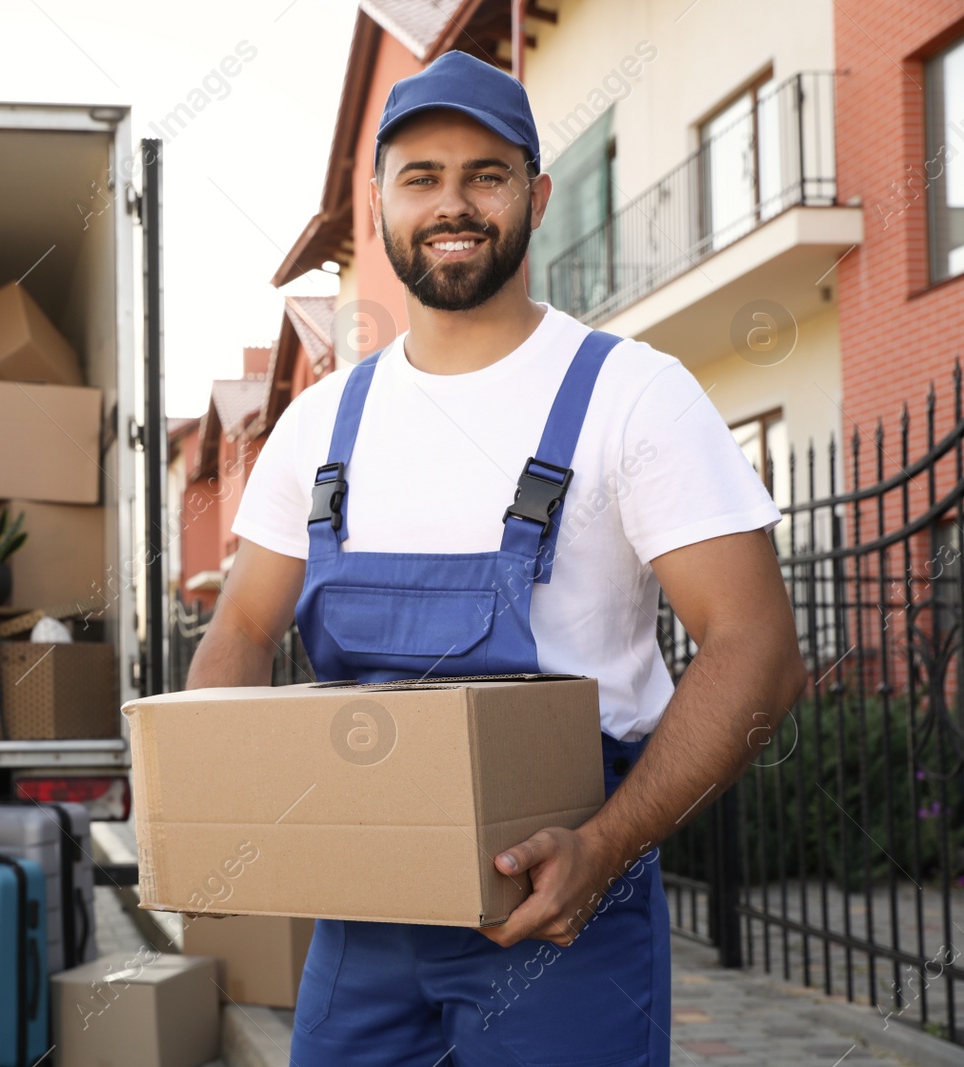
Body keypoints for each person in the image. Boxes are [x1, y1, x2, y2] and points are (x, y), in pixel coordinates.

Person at [187, 51, 806, 1066]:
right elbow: (244, 625)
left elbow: (758, 650)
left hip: (564, 902)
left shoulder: (632, 396)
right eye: (420, 176)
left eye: (486, 174)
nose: (452, 203)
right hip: (362, 908)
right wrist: (215, 809)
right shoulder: (320, 424)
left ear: (537, 196)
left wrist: (603, 849)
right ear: (379, 203)